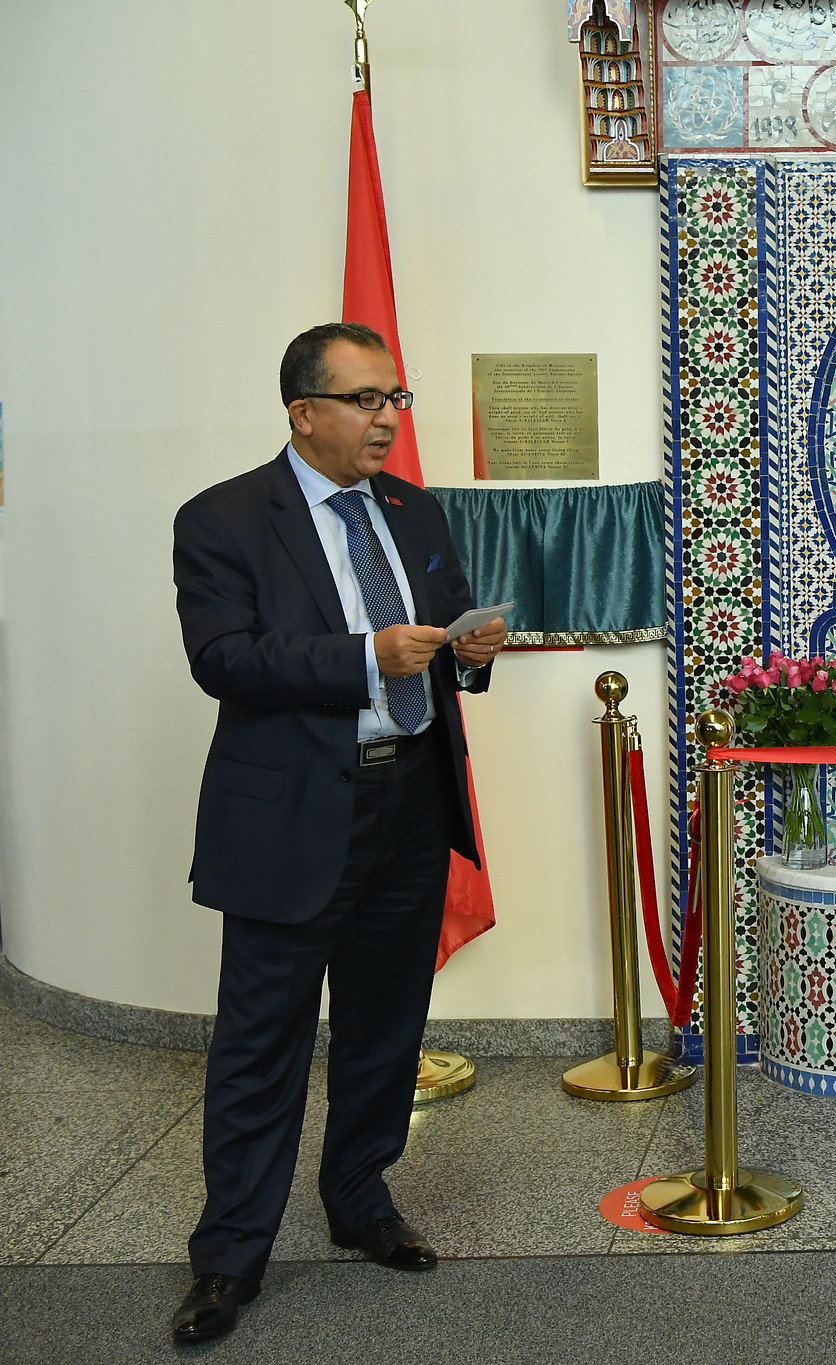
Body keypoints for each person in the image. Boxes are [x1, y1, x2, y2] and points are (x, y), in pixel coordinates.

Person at [168, 322, 507, 1343]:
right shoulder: (224, 518)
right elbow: (224, 658)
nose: (387, 421)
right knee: (260, 1047)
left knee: (383, 1028)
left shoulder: (411, 509)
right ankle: (229, 1259)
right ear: (303, 412)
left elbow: (442, 641)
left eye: (394, 400)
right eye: (366, 401)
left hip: (408, 804)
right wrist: (367, 658)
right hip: (291, 819)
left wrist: (471, 654)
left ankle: (359, 1202)